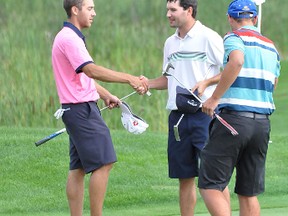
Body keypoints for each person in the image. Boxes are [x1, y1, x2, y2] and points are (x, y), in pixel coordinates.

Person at [51, 0, 148, 215]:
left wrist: (104, 95)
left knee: (78, 168)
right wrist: (129, 78)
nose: (94, 13)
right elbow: (91, 70)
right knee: (104, 163)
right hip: (81, 111)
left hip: (76, 109)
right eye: (90, 8)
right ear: (75, 10)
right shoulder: (70, 38)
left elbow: (81, 76)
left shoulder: (68, 37)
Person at [198, 0, 281, 215]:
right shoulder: (271, 46)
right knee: (248, 192)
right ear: (254, 18)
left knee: (210, 184)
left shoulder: (233, 37)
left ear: (230, 18)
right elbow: (273, 83)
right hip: (262, 123)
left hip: (234, 120)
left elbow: (236, 61)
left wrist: (214, 98)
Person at [148, 0, 225, 215]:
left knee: (214, 176)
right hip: (178, 118)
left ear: (188, 10)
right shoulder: (170, 43)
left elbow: (230, 70)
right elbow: (168, 79)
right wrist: (147, 83)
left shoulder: (208, 37)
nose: (168, 15)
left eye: (173, 10)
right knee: (185, 177)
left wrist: (207, 83)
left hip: (204, 115)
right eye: (167, 10)